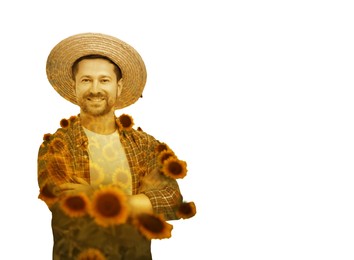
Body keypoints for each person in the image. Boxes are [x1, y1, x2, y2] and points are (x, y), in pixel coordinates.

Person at [37, 33, 196, 260]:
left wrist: (98, 195)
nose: (95, 89)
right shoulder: (56, 145)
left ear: (118, 87)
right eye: (86, 80)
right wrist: (140, 202)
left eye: (104, 80)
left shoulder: (146, 145)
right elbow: (66, 205)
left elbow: (171, 200)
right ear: (74, 86)